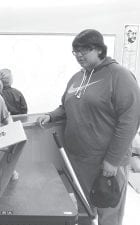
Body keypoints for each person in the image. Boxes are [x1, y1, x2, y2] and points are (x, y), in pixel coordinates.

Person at [37, 29, 140, 225]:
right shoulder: (77, 77)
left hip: (106, 163)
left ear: (100, 49)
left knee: (108, 215)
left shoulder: (120, 76)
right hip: (77, 160)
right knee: (84, 211)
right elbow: (66, 107)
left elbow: (130, 120)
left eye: (85, 49)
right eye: (75, 51)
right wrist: (50, 115)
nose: (79, 55)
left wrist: (113, 161)